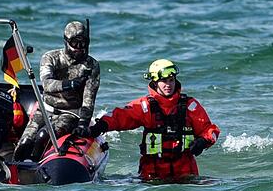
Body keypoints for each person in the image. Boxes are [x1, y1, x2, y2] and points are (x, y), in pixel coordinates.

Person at [82, 59, 220, 181]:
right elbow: (120, 117)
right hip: (152, 175)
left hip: (185, 173)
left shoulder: (190, 106)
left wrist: (203, 141)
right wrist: (99, 127)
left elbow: (211, 130)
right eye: (164, 81)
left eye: (171, 80)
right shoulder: (145, 106)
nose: (168, 85)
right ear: (155, 82)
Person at [14, 20, 100, 161]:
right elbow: (47, 84)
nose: (79, 48)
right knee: (25, 143)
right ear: (66, 42)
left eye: (82, 43)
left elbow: (89, 98)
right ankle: (14, 170)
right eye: (74, 43)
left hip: (70, 114)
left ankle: (36, 168)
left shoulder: (91, 66)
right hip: (45, 110)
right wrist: (70, 84)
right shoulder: (51, 58)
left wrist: (83, 123)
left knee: (43, 136)